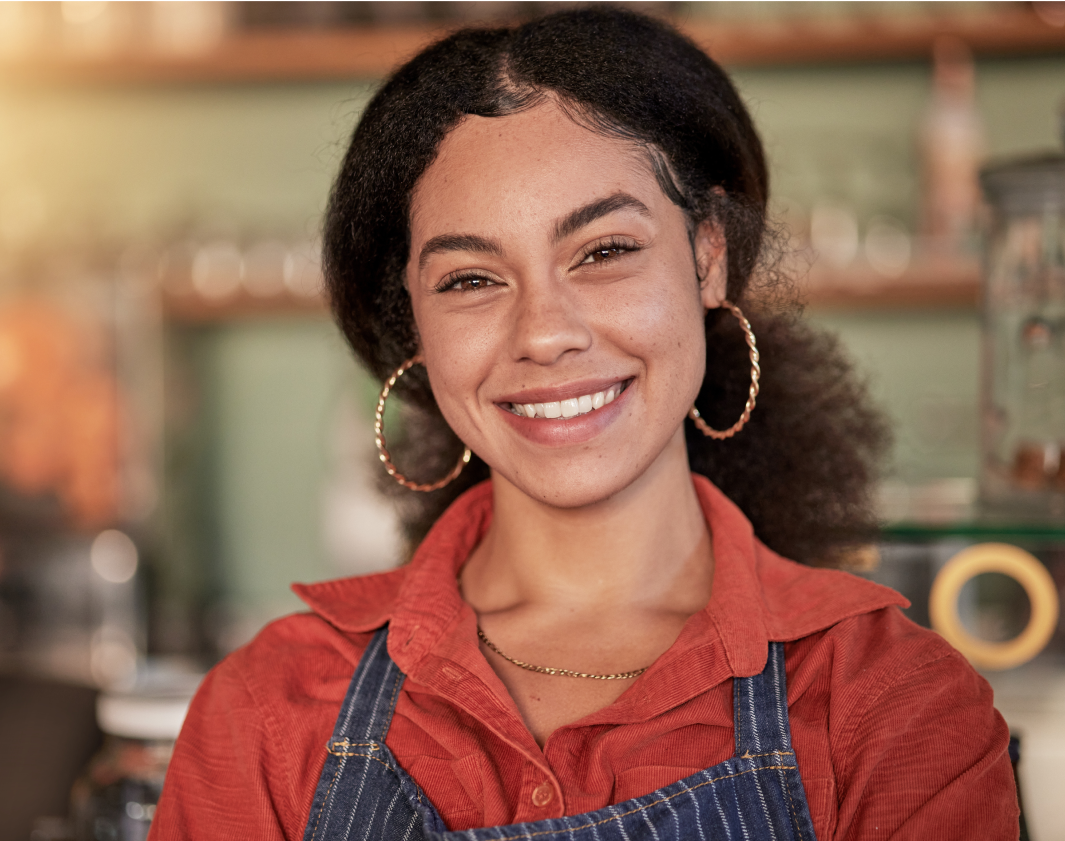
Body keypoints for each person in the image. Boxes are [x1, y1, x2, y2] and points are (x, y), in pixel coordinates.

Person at [150, 8, 1018, 840]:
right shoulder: (268, 707)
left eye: (604, 252)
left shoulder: (890, 707)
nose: (545, 333)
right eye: (470, 280)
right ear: (413, 321)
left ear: (707, 253)